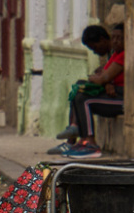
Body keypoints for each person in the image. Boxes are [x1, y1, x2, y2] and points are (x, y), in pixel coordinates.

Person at [49, 24, 124, 158]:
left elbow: (104, 77)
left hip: (122, 98)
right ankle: (74, 135)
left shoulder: (122, 55)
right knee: (79, 88)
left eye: (119, 38)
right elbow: (104, 74)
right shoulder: (115, 55)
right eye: (114, 38)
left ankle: (90, 143)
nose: (115, 42)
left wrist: (104, 80)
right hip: (114, 93)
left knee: (84, 99)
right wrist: (104, 80)